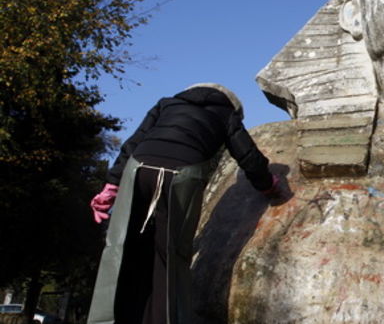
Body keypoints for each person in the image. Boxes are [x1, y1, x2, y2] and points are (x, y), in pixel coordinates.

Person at [87, 83, 279, 324]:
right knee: (172, 254)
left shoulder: (166, 103)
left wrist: (111, 185)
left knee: (120, 244)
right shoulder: (225, 114)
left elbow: (134, 141)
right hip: (183, 174)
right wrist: (267, 184)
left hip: (139, 168)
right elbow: (247, 155)